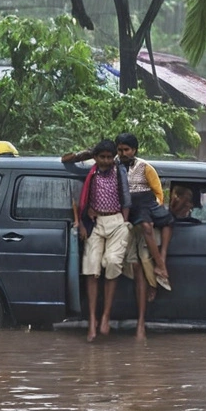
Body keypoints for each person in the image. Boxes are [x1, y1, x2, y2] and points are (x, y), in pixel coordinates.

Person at [115, 133, 172, 339]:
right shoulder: (114, 166)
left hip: (147, 203)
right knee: (139, 263)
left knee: (163, 223)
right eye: (120, 150)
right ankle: (158, 271)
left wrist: (156, 206)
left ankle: (161, 264)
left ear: (135, 150)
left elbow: (158, 192)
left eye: (126, 150)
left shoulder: (145, 167)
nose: (123, 154)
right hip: (127, 212)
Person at [76, 139, 131, 342]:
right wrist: (83, 222)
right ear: (96, 157)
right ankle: (92, 320)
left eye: (109, 157)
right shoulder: (91, 172)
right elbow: (68, 159)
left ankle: (105, 316)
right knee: (91, 268)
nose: (106, 161)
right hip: (95, 221)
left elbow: (126, 198)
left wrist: (124, 222)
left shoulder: (120, 171)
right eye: (102, 157)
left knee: (113, 263)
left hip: (116, 220)